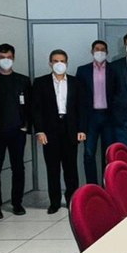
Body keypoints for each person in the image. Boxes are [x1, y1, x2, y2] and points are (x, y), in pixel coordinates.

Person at [32, 50, 87, 214]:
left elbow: (81, 108)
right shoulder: (40, 82)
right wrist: (39, 131)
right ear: (50, 63)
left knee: (71, 168)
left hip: (70, 129)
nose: (59, 64)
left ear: (67, 63)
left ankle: (72, 201)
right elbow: (36, 109)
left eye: (62, 61)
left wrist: (82, 129)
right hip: (50, 130)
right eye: (55, 61)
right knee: (52, 168)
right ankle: (54, 202)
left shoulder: (76, 82)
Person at [0, 43, 31, 216]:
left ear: (13, 58)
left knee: (18, 168)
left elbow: (30, 106)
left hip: (17, 131)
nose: (5, 60)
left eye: (8, 57)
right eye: (2, 57)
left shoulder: (23, 80)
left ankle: (17, 203)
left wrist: (26, 125)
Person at [75, 40, 114, 184]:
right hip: (90, 117)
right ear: (92, 51)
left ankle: (107, 186)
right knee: (89, 153)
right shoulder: (83, 70)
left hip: (109, 117)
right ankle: (92, 186)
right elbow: (78, 97)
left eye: (103, 49)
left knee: (108, 155)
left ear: (107, 52)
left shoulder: (114, 70)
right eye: (97, 49)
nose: (100, 52)